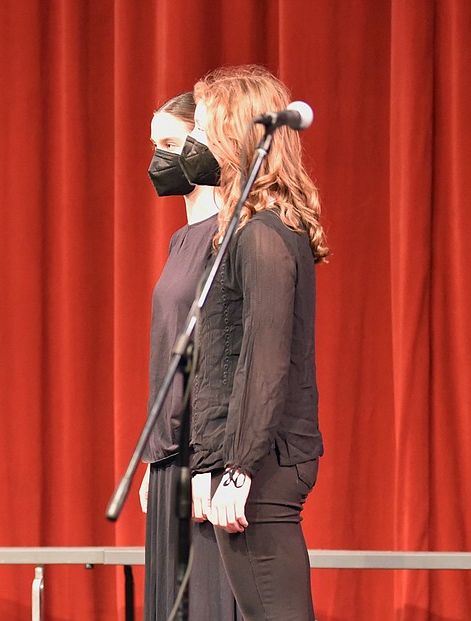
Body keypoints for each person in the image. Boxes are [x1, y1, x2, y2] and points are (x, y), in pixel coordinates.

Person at [183, 65, 328, 621]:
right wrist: (209, 461)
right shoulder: (244, 229)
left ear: (234, 136)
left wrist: (238, 468)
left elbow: (264, 362)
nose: (193, 144)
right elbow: (221, 360)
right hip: (244, 457)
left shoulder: (264, 235)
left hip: (262, 464)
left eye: (201, 128)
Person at [140, 92, 241, 621]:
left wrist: (212, 463)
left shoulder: (231, 237)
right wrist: (152, 460)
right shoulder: (182, 239)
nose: (158, 157)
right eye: (154, 145)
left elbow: (223, 359)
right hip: (168, 459)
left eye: (172, 144)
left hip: (203, 453)